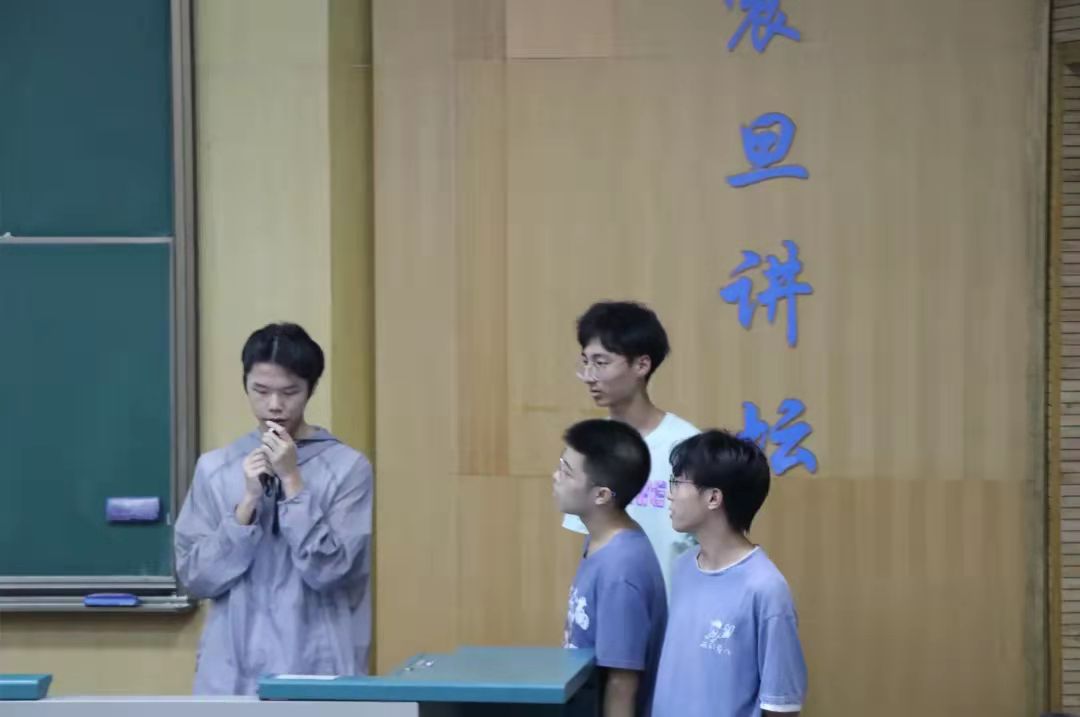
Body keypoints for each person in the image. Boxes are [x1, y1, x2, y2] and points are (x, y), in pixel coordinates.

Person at [174, 322, 373, 695]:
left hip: (317, 668)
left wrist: (292, 481)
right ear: (246, 385)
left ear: (310, 389)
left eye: (289, 392)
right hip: (230, 677)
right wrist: (247, 503)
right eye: (261, 391)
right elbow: (196, 577)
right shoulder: (216, 468)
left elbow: (330, 571)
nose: (275, 405)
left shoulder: (348, 469)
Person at [652, 430, 807, 717]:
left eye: (678, 482)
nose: (669, 493)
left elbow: (781, 705)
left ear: (713, 497)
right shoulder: (683, 567)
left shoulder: (766, 588)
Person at [563, 301, 699, 592]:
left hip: (673, 614)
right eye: (585, 362)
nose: (589, 376)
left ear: (642, 365)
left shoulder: (688, 447)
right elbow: (592, 544)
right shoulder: (590, 446)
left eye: (601, 363)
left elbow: (711, 543)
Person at [555, 419, 667, 717]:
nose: (556, 477)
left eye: (567, 472)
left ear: (601, 495)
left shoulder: (621, 569)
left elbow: (621, 684)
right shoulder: (601, 540)